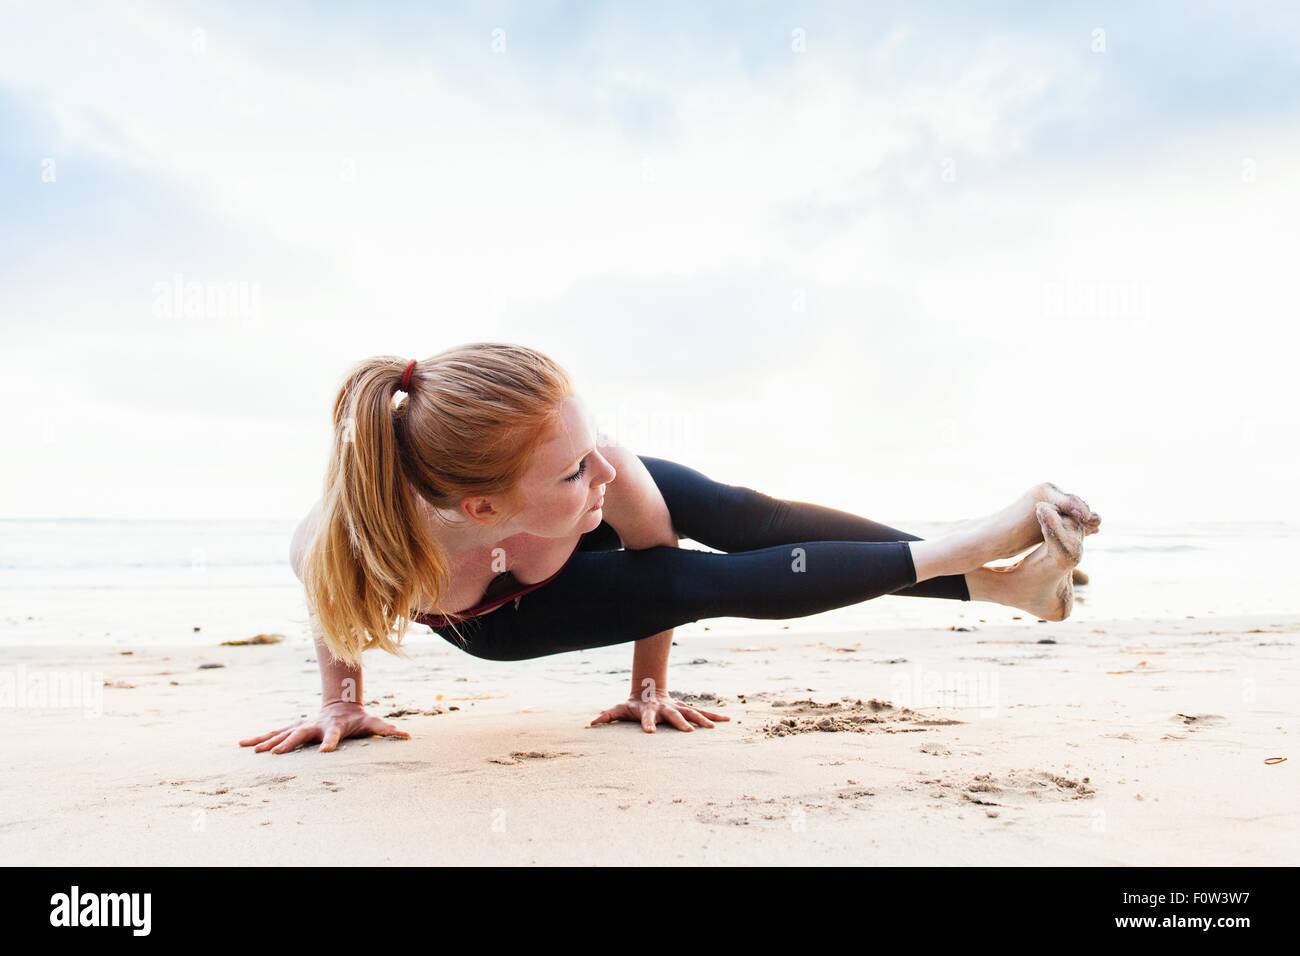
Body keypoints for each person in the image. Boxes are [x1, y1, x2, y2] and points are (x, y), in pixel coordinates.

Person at [239, 342, 1100, 753]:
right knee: (715, 582)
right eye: (577, 467)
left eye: (593, 442)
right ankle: (990, 571)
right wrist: (339, 703)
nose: (603, 472)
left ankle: (999, 579)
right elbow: (335, 608)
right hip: (504, 615)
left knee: (744, 519)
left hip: (567, 535)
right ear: (483, 503)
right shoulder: (354, 540)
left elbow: (666, 568)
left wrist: (648, 687)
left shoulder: (606, 470)